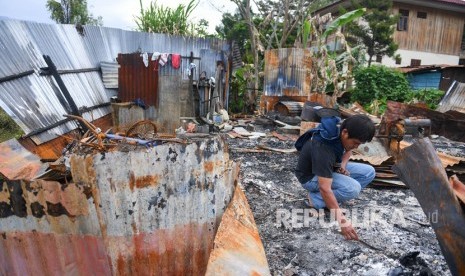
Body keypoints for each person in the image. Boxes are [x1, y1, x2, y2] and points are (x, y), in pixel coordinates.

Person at [295, 114, 376, 240]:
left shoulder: (340, 128)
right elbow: (324, 187)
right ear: (345, 132)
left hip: (330, 168)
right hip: (310, 177)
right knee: (353, 189)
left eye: (358, 144)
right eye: (355, 143)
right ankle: (316, 198)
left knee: (369, 172)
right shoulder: (324, 147)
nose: (356, 147)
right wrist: (342, 222)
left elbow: (348, 150)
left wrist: (342, 165)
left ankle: (329, 202)